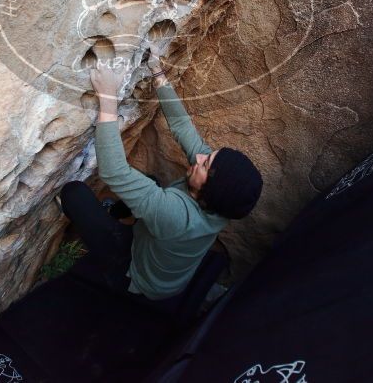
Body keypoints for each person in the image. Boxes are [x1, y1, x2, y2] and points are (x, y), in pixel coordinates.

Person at [59, 46, 263, 300]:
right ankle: (115, 213)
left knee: (74, 194)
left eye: (205, 165)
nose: (199, 157)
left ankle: (108, 249)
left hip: (139, 277)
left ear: (208, 192)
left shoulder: (177, 215)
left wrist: (108, 99)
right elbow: (181, 125)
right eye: (208, 156)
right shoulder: (220, 203)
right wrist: (158, 72)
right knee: (152, 182)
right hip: (164, 257)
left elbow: (113, 172)